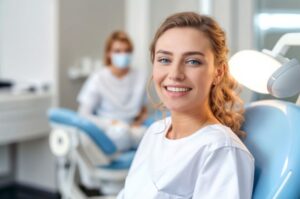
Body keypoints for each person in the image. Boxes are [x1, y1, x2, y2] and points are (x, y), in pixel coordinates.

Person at [117, 12, 254, 198]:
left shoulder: (220, 149)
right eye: (164, 59)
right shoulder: (155, 132)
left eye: (192, 61)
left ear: (218, 72)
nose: (175, 74)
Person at [77, 31, 148, 151]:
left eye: (127, 51)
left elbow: (143, 109)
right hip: (111, 129)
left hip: (133, 129)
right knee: (121, 133)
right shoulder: (98, 78)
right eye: (118, 51)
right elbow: (83, 114)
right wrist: (111, 123)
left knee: (152, 135)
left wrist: (137, 122)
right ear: (109, 53)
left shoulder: (140, 76)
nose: (123, 55)